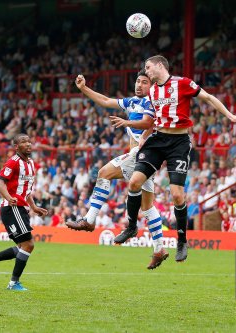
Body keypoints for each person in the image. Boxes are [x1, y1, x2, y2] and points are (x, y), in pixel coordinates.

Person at [118, 55, 236, 262]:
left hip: (178, 143)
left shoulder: (183, 83)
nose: (146, 72)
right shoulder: (152, 91)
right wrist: (143, 137)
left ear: (160, 66)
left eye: (148, 67)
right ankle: (132, 226)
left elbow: (208, 98)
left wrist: (230, 116)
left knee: (177, 196)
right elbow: (151, 120)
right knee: (134, 182)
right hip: (158, 139)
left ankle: (182, 241)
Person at [65, 71, 168, 270]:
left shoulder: (151, 102)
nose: (139, 85)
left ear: (152, 86)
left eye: (144, 82)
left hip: (141, 153)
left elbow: (149, 123)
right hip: (146, 158)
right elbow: (105, 100)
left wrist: (127, 122)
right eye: (138, 81)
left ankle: (90, 220)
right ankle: (159, 249)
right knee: (147, 207)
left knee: (104, 173)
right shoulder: (131, 102)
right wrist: (84, 88)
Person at [0, 133, 48, 291]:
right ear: (16, 147)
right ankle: (13, 283)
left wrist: (34, 207)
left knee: (22, 246)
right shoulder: (13, 162)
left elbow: (26, 191)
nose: (28, 144)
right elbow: (0, 183)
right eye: (24, 142)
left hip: (21, 208)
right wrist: (9, 198)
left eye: (29, 141)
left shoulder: (31, 164)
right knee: (28, 245)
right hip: (12, 207)